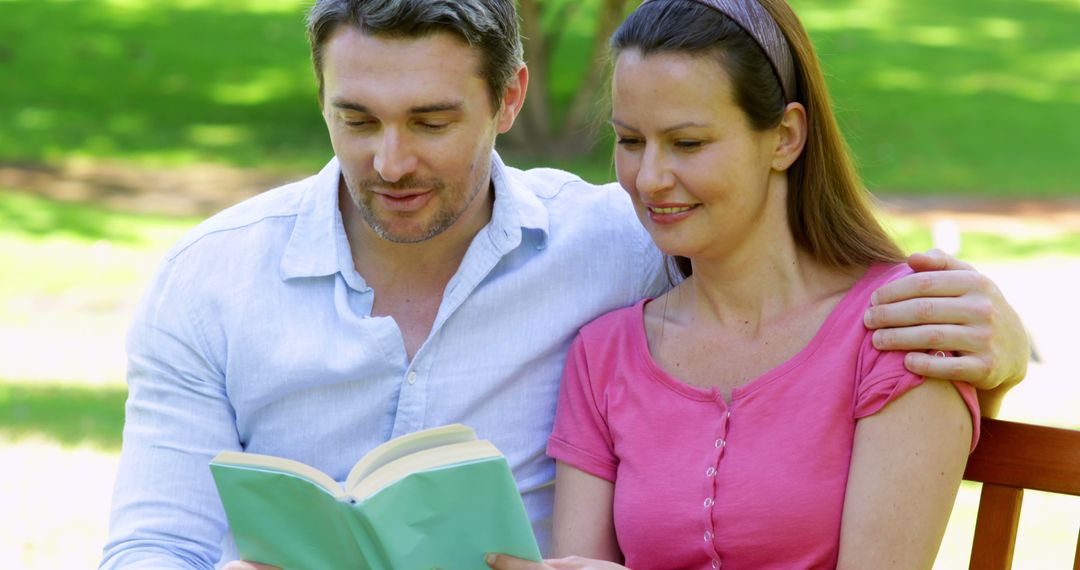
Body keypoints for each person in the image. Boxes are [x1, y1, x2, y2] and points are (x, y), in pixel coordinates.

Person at [100, 1, 1028, 568]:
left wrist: (1006, 343)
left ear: (509, 100)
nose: (389, 161)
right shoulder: (211, 282)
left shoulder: (616, 240)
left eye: (431, 119)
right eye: (356, 119)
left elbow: (804, 278)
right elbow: (149, 546)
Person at [485, 1, 996, 569]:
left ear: (784, 137)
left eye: (687, 143)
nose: (649, 178)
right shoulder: (603, 356)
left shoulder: (897, 328)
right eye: (630, 141)